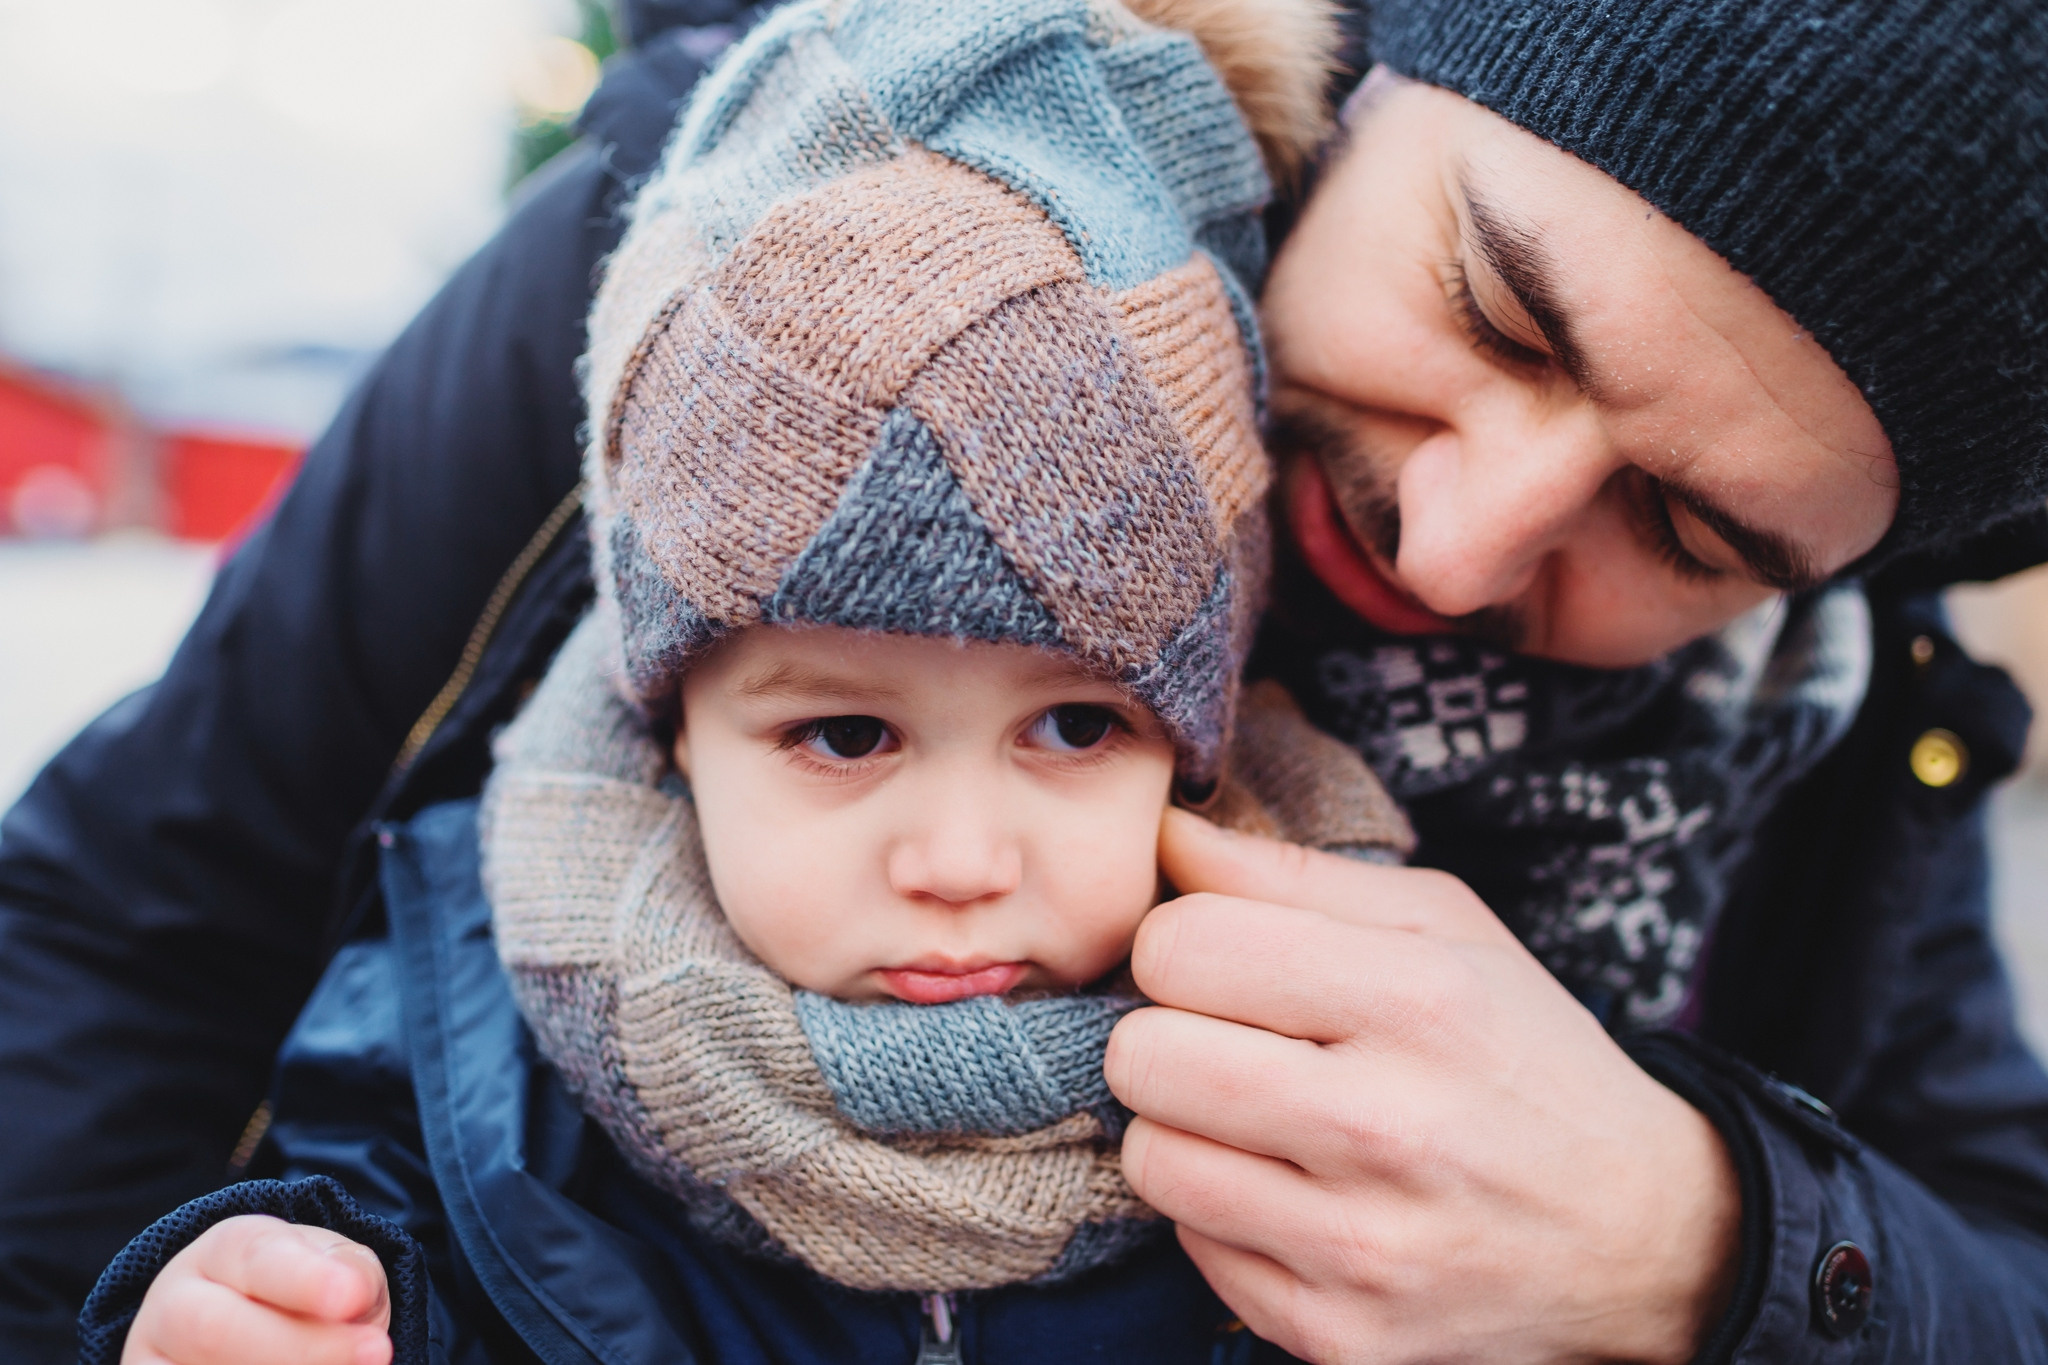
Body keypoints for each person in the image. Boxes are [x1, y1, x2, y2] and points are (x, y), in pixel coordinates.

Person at [2, 0, 2043, 1360]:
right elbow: (126, 925)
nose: (1456, 539)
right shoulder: (752, 298)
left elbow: (1993, 1245)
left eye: (1688, 531)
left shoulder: (1828, 712)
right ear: (1380, 73)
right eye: (1495, 305)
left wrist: (1710, 1236)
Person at [88, 4, 1410, 1359]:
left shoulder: (1337, 1074)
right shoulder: (473, 1026)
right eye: (845, 732)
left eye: (1076, 723)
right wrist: (275, 1314)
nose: (958, 860)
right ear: (674, 730)